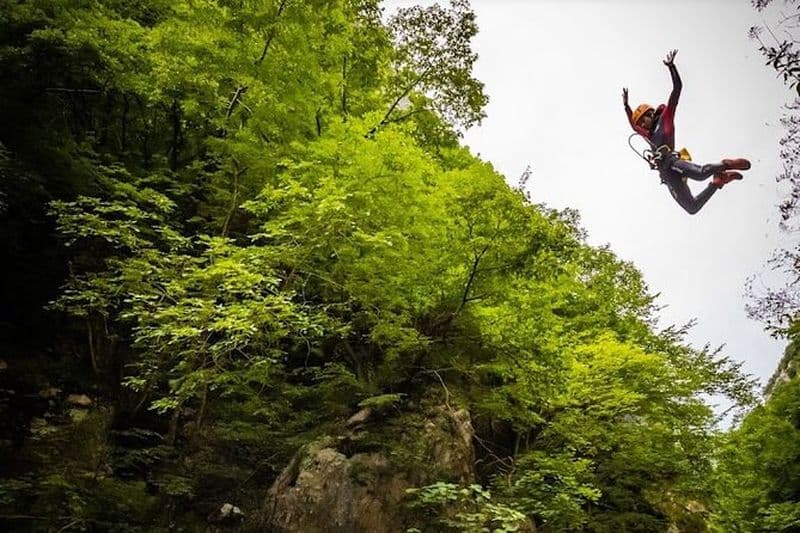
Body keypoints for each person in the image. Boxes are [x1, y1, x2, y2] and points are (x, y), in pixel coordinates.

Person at [623, 49, 751, 214]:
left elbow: (677, 88)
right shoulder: (648, 136)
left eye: (642, 120)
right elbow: (633, 128)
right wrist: (626, 107)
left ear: (650, 114)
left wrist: (671, 67)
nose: (641, 125)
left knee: (700, 174)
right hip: (667, 175)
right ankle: (718, 182)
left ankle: (725, 164)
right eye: (639, 122)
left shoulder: (665, 117)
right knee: (692, 207)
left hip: (672, 161)